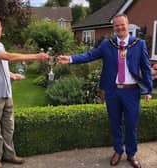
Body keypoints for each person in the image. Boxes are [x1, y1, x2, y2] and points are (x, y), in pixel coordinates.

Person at [58, 14, 153, 168]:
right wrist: (70, 59)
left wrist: (148, 89)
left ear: (127, 25)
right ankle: (117, 151)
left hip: (131, 92)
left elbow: (146, 68)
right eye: (116, 25)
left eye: (122, 25)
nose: (119, 28)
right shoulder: (107, 44)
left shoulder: (139, 44)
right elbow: (89, 55)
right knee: (115, 123)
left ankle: (131, 153)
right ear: (113, 28)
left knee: (131, 124)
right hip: (113, 91)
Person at [0, 17, 49, 168]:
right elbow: (10, 57)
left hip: (6, 93)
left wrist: (12, 75)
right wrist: (36, 56)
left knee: (8, 127)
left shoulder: (0, 45)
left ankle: (9, 155)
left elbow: (1, 64)